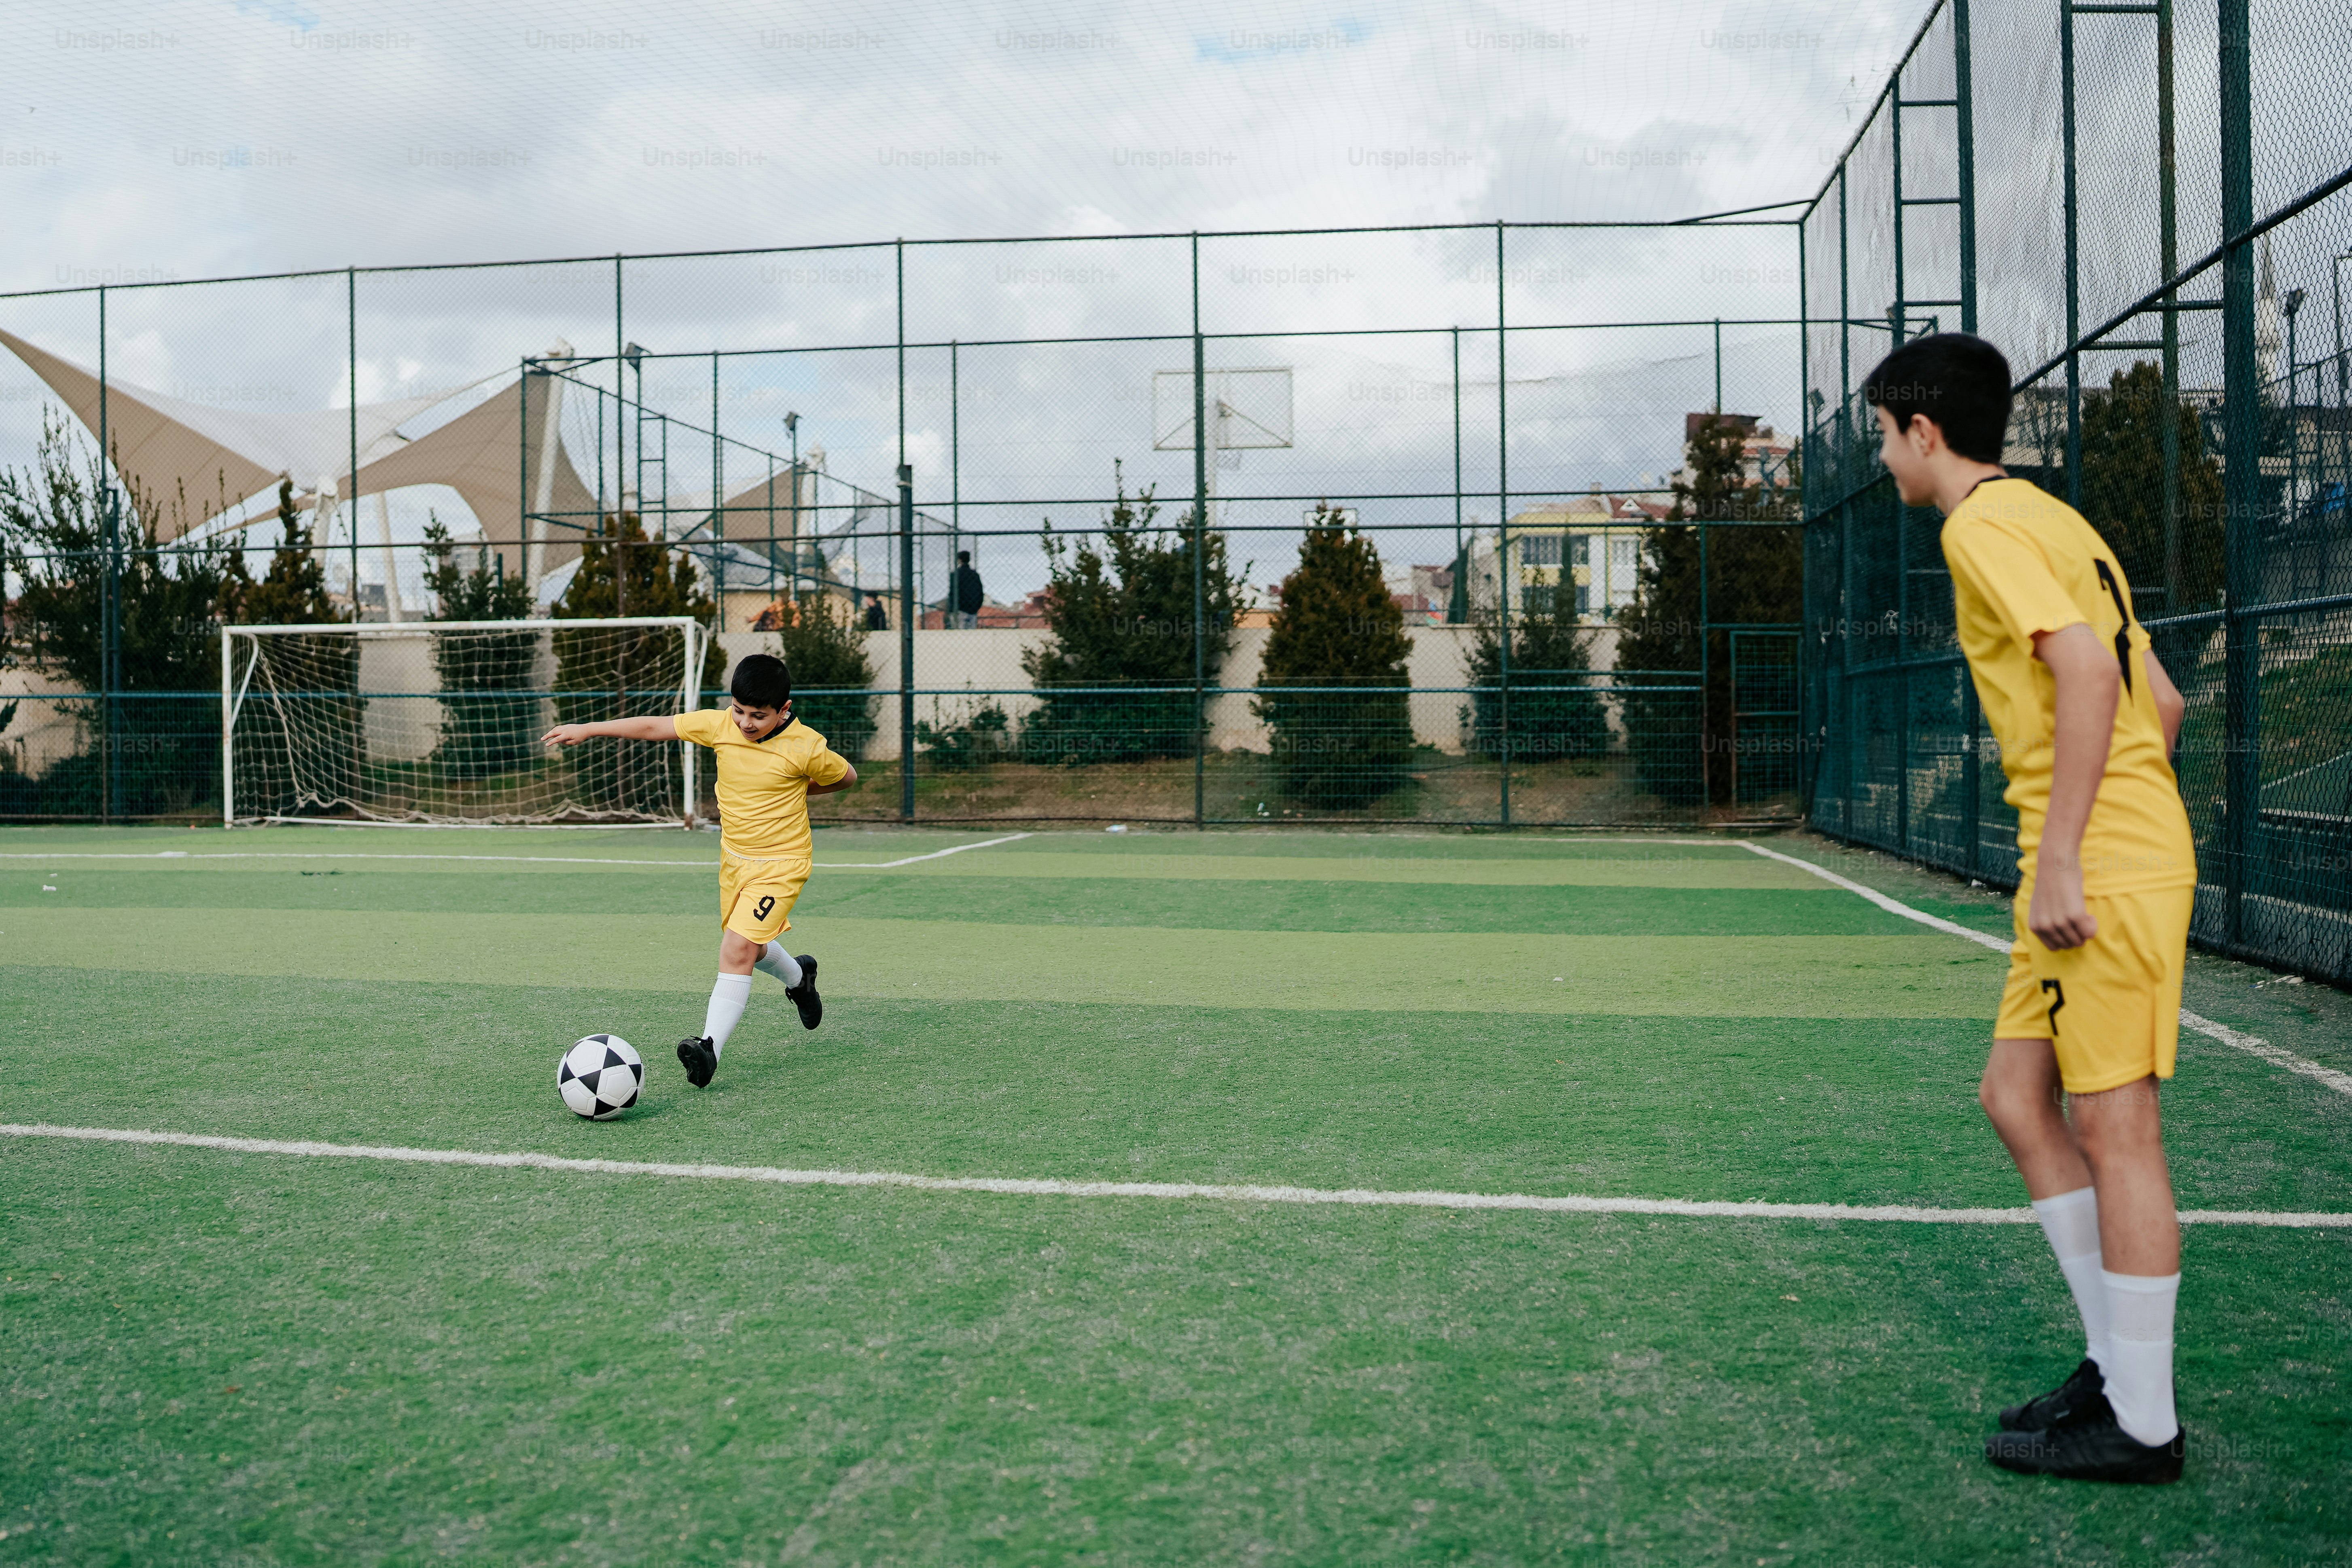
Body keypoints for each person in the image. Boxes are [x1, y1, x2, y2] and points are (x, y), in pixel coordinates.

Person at [1865, 333, 2196, 1484]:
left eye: (1882, 431)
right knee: (2014, 1096)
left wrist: (2071, 854)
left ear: (1924, 429)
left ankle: (2143, 1425)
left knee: (2114, 1125)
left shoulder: (1979, 525)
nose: (1881, 455)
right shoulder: (2056, 520)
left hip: (2090, 867)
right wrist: (2114, 827)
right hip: (2105, 853)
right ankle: (2117, 1368)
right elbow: (2164, 700)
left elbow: (2095, 678)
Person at [542, 652, 857, 1089]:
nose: (746, 723)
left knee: (736, 947)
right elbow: (656, 727)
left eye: (759, 716)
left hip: (782, 865)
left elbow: (846, 777)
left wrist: (801, 789)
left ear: (784, 710)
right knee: (751, 948)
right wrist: (589, 729)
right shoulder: (720, 725)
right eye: (740, 711)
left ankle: (709, 1050)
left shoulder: (807, 747)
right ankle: (800, 979)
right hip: (734, 861)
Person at [949, 549, 984, 629]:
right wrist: (977, 607)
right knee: (971, 636)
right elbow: (980, 592)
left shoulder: (956, 574)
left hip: (960, 609)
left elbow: (953, 593)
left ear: (959, 560)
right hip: (973, 610)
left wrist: (952, 609)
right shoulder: (975, 575)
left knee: (960, 635)